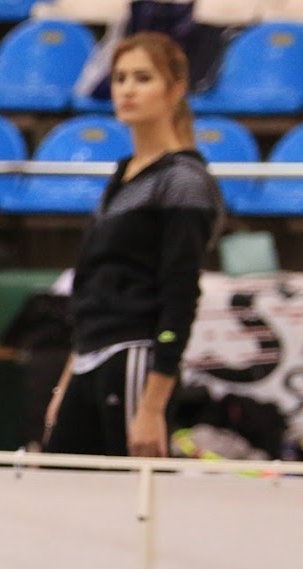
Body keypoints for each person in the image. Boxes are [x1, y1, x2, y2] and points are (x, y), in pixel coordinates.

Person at [45, 32, 223, 458]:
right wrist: (67, 381)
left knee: (129, 491)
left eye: (143, 78)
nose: (127, 89)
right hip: (89, 355)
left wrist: (153, 404)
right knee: (60, 483)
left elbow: (180, 294)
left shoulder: (183, 182)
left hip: (135, 356)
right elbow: (92, 284)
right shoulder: (123, 173)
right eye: (120, 78)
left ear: (175, 90)